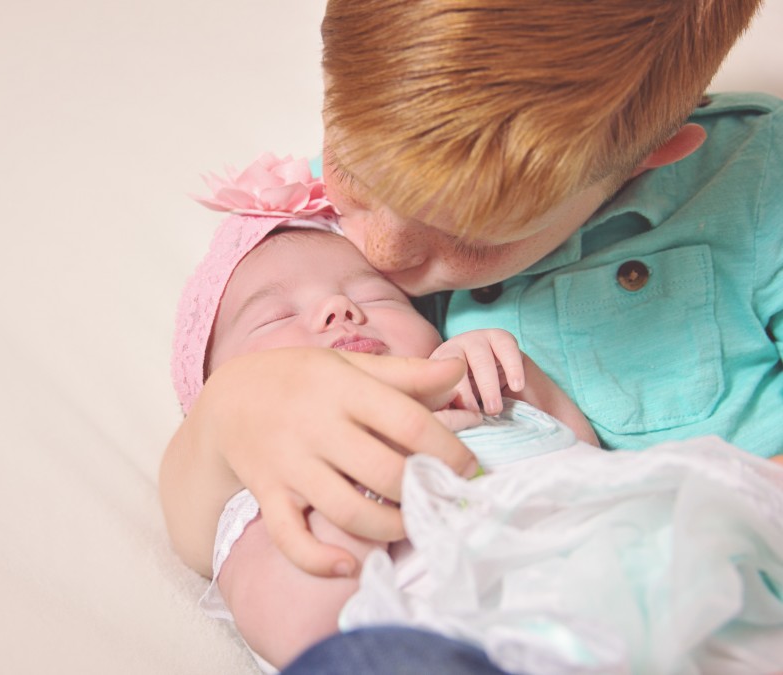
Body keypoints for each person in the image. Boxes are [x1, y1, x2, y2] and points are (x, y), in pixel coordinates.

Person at [160, 0, 782, 593]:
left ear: (641, 161)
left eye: (469, 237)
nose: (381, 253)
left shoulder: (762, 185)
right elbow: (210, 541)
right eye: (353, 173)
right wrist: (226, 415)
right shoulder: (325, 206)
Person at [170, 201, 783, 673]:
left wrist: (517, 383)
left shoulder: (480, 400)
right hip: (465, 645)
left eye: (375, 295)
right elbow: (298, 631)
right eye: (275, 316)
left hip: (652, 590)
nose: (339, 309)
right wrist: (358, 490)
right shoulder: (267, 485)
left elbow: (586, 458)